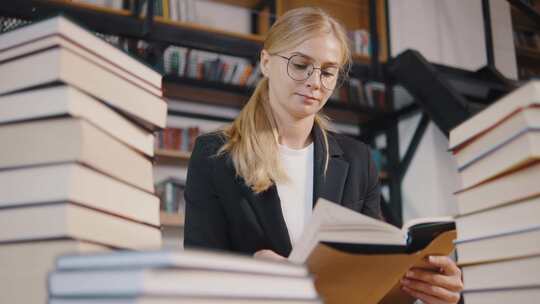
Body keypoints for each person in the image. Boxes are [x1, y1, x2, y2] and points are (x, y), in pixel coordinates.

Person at [184, 7, 463, 304]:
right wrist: (253, 277)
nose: (315, 82)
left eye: (328, 71)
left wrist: (432, 290)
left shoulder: (357, 159)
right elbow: (197, 282)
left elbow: (371, 283)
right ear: (266, 62)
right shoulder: (213, 155)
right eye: (301, 65)